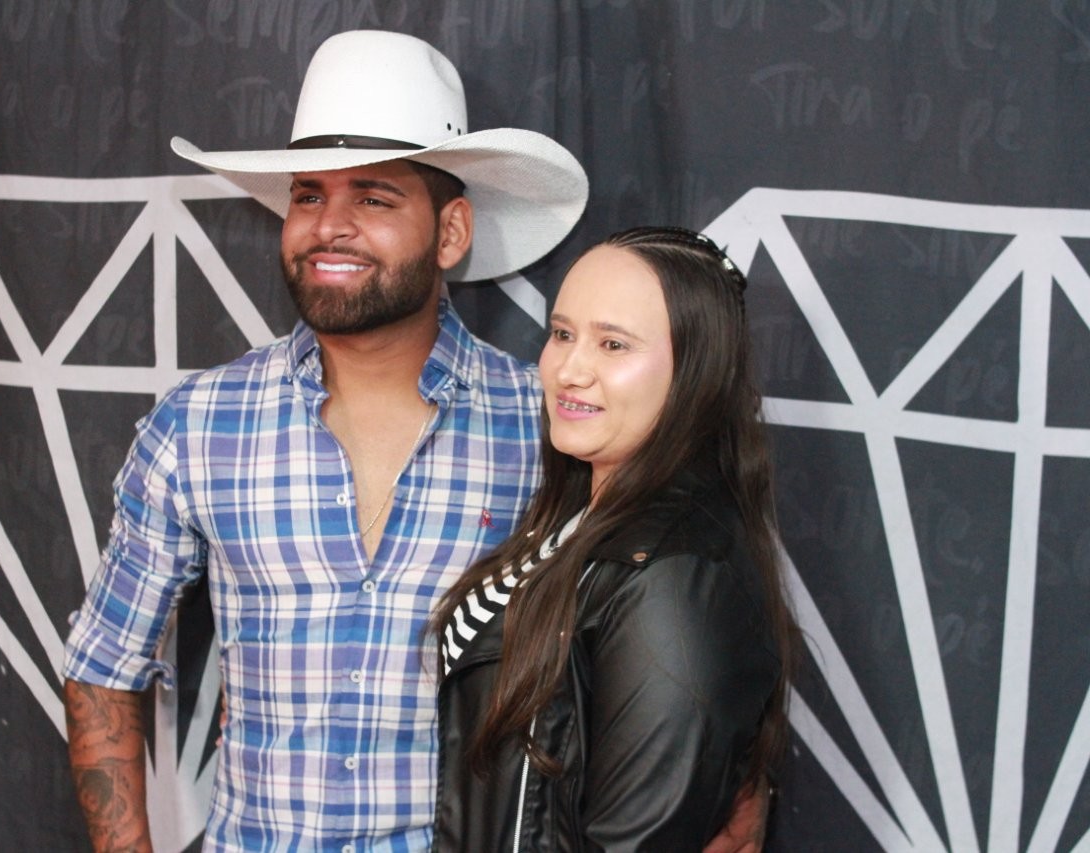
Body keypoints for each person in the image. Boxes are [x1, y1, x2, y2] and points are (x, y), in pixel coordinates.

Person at [61, 29, 767, 852]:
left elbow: (694, 648)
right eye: (308, 195)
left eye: (374, 198)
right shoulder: (199, 423)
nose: (330, 226)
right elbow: (103, 664)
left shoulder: (551, 422)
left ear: (451, 230)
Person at [431, 227, 798, 850]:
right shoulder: (581, 515)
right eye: (562, 334)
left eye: (613, 344)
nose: (570, 370)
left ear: (697, 371)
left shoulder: (673, 577)